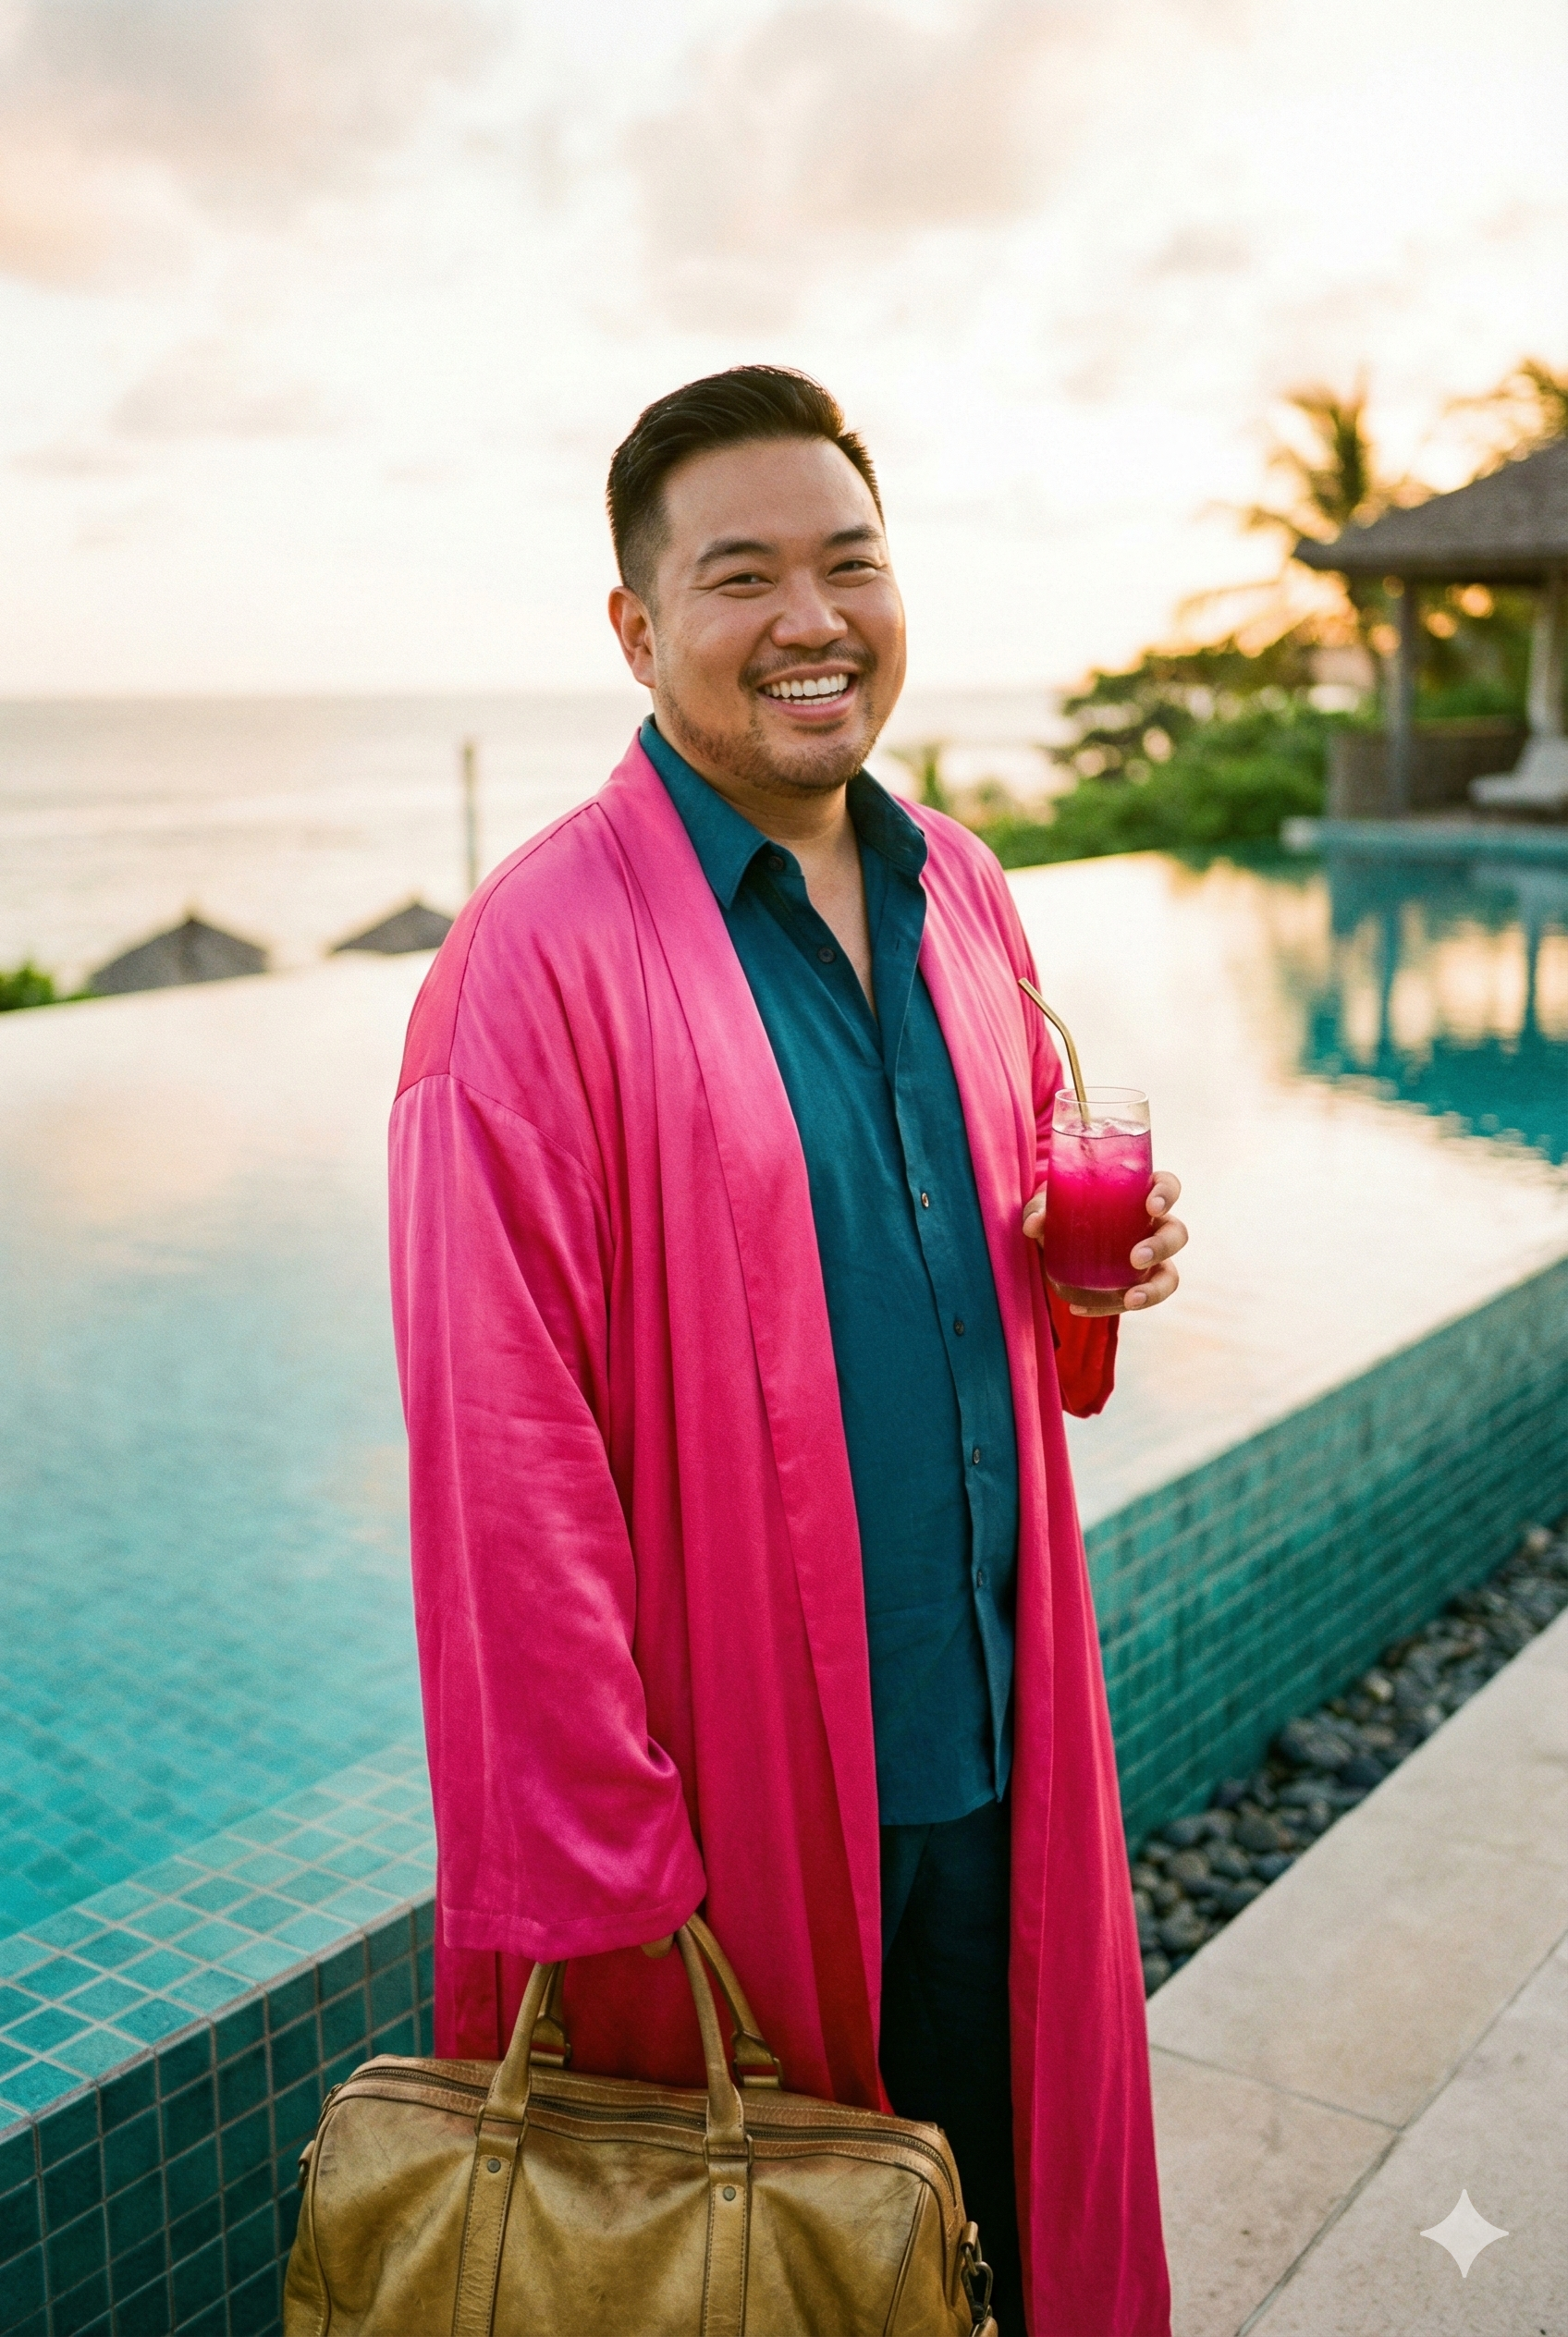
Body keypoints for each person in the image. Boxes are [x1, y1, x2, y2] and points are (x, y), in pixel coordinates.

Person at [389, 366, 1184, 2334]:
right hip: (742, 1819)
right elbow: (504, 1449)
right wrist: (611, 1877)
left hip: (1003, 1749)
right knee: (775, 2273)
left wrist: (1083, 1281)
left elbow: (973, 1281)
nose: (811, 619)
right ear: (636, 628)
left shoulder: (959, 891)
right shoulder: (534, 963)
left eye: (849, 561)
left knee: (987, 2240)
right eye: (740, 575)